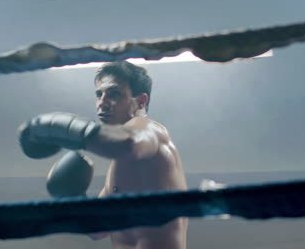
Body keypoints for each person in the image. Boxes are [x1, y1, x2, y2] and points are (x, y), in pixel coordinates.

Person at [18, 61, 188, 249]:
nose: (102, 103)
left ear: (141, 101)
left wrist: (60, 127)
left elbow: (128, 143)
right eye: (99, 94)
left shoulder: (149, 129)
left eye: (114, 94)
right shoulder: (121, 168)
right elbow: (97, 229)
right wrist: (73, 198)